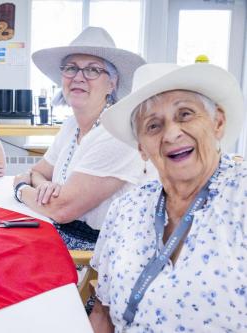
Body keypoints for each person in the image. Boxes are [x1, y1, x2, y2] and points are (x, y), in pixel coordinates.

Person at [90, 63, 246, 331]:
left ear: (217, 122)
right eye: (153, 126)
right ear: (141, 148)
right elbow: (103, 311)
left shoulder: (240, 194)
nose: (172, 134)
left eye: (185, 114)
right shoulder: (125, 209)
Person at [13, 27, 148, 250]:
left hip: (99, 251)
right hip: (60, 233)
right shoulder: (71, 125)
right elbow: (36, 172)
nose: (78, 77)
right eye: (71, 68)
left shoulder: (119, 133)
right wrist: (45, 185)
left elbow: (61, 210)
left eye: (93, 70)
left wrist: (21, 189)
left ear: (112, 84)